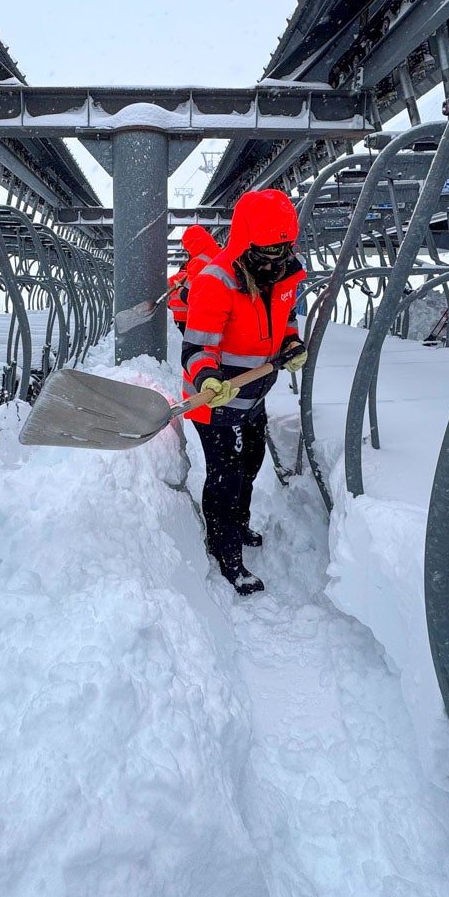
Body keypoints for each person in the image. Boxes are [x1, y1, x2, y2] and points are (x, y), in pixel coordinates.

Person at [180, 189, 307, 594]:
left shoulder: (283, 274)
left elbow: (283, 322)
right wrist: (207, 377)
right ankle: (225, 552)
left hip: (254, 394)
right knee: (226, 475)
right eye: (266, 255)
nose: (274, 262)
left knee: (250, 463)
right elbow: (197, 346)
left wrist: (290, 343)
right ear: (245, 245)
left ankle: (240, 522)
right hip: (216, 401)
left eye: (282, 252)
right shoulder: (216, 281)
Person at [168, 225, 222, 334]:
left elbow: (187, 295)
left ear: (191, 244)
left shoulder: (199, 262)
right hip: (220, 317)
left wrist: (180, 289)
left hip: (202, 322)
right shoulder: (219, 255)